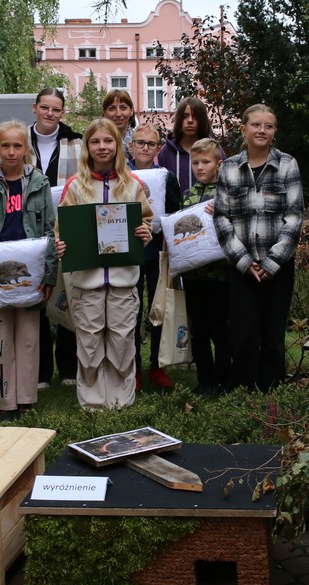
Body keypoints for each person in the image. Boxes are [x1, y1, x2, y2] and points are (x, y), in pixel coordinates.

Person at [54, 118, 153, 410]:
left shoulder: (132, 184)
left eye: (108, 141)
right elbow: (62, 229)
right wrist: (61, 244)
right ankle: (94, 402)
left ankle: (121, 400)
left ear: (118, 145)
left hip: (123, 279)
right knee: (89, 340)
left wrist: (145, 233)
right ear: (87, 147)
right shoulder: (75, 185)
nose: (102, 147)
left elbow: (145, 221)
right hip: (87, 280)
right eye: (95, 141)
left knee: (123, 340)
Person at [0, 120, 57, 421]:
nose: (12, 151)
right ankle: (6, 401)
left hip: (30, 270)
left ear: (26, 149)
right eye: (6, 146)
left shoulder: (39, 183)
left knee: (29, 337)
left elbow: (48, 230)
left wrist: (50, 274)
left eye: (18, 146)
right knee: (3, 336)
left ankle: (27, 399)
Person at [214, 104, 303, 392]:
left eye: (268, 126)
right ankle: (244, 393)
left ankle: (273, 392)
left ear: (275, 131)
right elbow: (222, 218)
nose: (261, 130)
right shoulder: (228, 168)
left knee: (274, 333)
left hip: (278, 266)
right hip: (242, 267)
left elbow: (294, 217)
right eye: (255, 124)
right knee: (243, 333)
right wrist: (242, 260)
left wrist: (273, 262)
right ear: (244, 129)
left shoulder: (287, 165)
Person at [29, 88, 83, 390]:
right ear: (34, 108)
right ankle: (39, 372)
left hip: (66, 225)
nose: (50, 114)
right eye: (45, 108)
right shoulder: (21, 140)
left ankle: (68, 367)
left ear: (62, 113)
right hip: (30, 228)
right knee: (36, 297)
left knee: (66, 293)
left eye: (56, 110)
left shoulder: (75, 142)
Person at [128, 123, 181, 390]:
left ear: (159, 149)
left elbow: (174, 213)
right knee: (131, 310)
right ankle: (133, 368)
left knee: (159, 309)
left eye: (151, 144)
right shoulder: (120, 174)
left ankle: (157, 367)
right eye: (140, 143)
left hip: (159, 252)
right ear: (131, 146)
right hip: (129, 252)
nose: (145, 148)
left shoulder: (167, 177)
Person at [180, 138, 231, 395]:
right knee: (198, 329)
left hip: (221, 275)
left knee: (221, 329)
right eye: (195, 162)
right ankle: (204, 379)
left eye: (206, 162)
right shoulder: (187, 196)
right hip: (193, 275)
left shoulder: (227, 194)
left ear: (219, 164)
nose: (200, 167)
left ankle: (223, 379)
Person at [157, 96, 216, 195]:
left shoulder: (214, 149)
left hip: (206, 209)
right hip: (175, 209)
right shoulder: (166, 151)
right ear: (179, 119)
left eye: (195, 116)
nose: (190, 121)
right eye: (185, 116)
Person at [102, 89, 136, 161]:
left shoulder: (139, 140)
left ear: (131, 111)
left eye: (123, 108)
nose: (118, 114)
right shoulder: (97, 141)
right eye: (112, 108)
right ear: (104, 112)